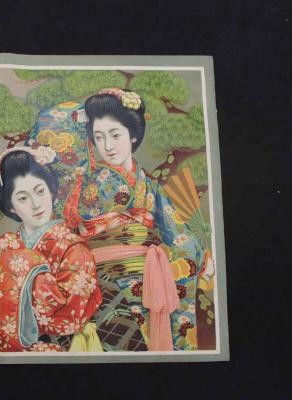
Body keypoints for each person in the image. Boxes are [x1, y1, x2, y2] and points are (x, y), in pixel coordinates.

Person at [63, 88, 213, 351]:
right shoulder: (85, 185)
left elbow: (177, 235)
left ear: (132, 135)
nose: (108, 146)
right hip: (102, 286)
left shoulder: (149, 185)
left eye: (115, 135)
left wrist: (199, 259)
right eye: (99, 137)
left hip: (148, 283)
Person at [0, 148, 102, 354]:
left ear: (51, 191)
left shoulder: (74, 249)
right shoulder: (9, 247)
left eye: (40, 191)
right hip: (7, 345)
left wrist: (20, 266)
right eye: (22, 198)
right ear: (11, 207)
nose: (36, 204)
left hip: (60, 346)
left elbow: (71, 314)